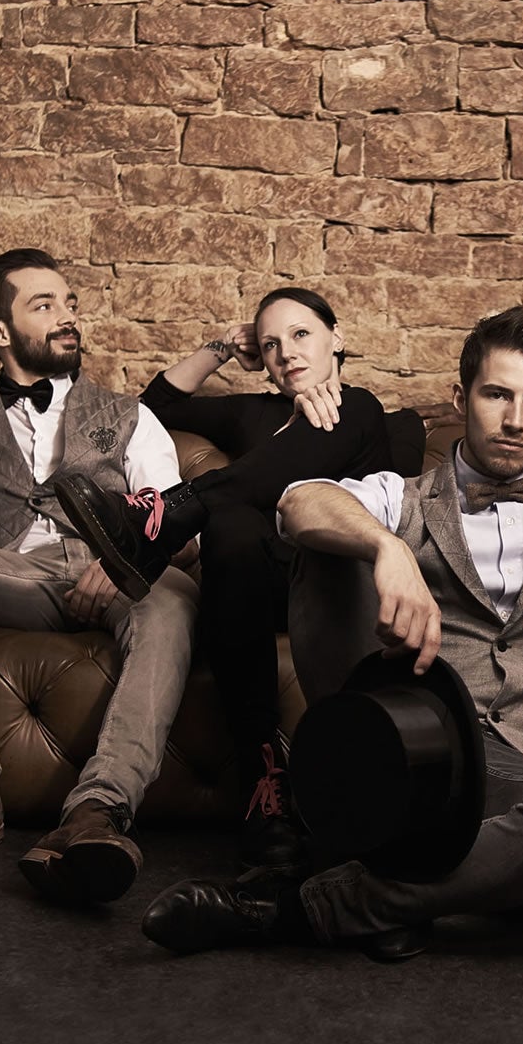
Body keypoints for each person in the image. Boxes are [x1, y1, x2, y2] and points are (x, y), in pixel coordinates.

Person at [135, 306, 523, 960]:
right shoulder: (401, 494)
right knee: (328, 545)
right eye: (496, 394)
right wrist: (387, 547)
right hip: (409, 751)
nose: (515, 419)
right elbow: (297, 501)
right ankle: (466, 885)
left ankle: (314, 904)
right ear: (460, 397)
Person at [0, 249, 197, 904]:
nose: (67, 316)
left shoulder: (132, 416)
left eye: (69, 302)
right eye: (44, 305)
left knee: (172, 597)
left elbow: (178, 526)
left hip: (113, 575)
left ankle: (98, 811)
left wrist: (123, 562)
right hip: (10, 575)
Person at [51, 288, 400, 871]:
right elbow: (153, 405)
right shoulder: (252, 414)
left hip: (339, 589)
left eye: (301, 334)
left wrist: (316, 419)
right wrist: (222, 347)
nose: (286, 352)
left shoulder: (374, 416)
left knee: (352, 404)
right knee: (232, 523)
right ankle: (265, 783)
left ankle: (163, 521)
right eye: (271, 344)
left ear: (337, 338)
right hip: (253, 590)